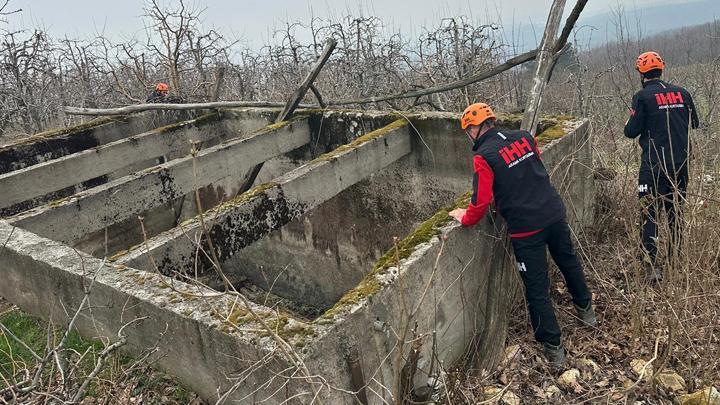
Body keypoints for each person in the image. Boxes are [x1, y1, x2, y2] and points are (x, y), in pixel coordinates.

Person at [448, 102, 596, 367]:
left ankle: (554, 348)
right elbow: (528, 170)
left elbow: (480, 201)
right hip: (553, 211)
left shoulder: (483, 157)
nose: (468, 135)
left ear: (475, 128)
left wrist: (465, 217)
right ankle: (586, 311)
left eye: (468, 130)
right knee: (568, 261)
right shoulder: (524, 137)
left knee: (537, 288)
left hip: (526, 229)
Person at [623, 51, 699, 281]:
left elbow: (630, 131)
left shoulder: (642, 97)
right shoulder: (683, 93)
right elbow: (694, 122)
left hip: (654, 166)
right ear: (661, 69)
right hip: (681, 164)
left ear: (641, 73)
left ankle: (651, 267)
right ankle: (675, 259)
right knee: (676, 212)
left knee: (649, 213)